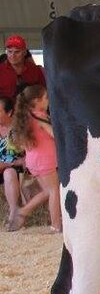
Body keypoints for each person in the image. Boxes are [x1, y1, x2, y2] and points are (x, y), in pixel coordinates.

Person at [9, 85, 61, 232]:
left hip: (34, 161)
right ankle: (56, 225)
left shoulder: (27, 116)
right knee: (54, 191)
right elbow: (54, 135)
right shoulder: (40, 117)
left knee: (47, 191)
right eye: (46, 98)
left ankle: (23, 211)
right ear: (37, 101)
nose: (48, 101)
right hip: (46, 161)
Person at [0, 95, 26, 229]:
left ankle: (13, 214)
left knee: (9, 173)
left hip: (15, 168)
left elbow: (30, 154)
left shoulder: (19, 130)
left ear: (9, 112)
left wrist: (9, 164)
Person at [0, 35, 46, 100]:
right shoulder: (1, 70)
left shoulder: (36, 70)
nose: (13, 55)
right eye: (10, 51)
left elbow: (43, 93)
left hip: (31, 105)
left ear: (25, 52)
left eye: (17, 52)